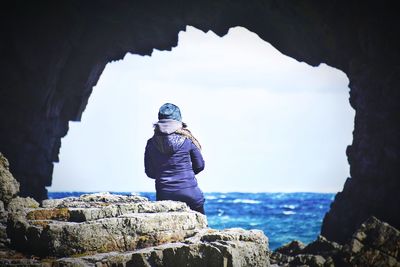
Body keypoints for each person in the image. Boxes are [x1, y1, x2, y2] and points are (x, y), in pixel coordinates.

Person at [144, 103, 206, 214]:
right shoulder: (188, 140)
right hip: (190, 193)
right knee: (202, 227)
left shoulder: (151, 143)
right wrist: (186, 175)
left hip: (164, 195)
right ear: (179, 121)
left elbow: (150, 173)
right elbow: (200, 166)